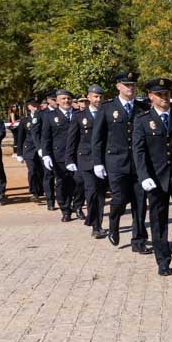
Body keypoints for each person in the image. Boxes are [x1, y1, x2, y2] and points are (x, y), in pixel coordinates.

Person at [132, 79, 172, 276]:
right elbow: (138, 151)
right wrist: (143, 175)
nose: (164, 98)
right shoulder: (142, 120)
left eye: (166, 93)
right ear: (151, 96)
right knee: (159, 220)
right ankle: (163, 259)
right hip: (155, 178)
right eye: (160, 94)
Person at [92, 72, 151, 253]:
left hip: (139, 163)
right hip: (116, 161)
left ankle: (139, 240)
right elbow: (98, 137)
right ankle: (113, 224)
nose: (130, 88)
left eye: (132, 84)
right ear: (118, 86)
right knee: (119, 198)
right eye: (126, 85)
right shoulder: (107, 107)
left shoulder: (143, 107)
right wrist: (97, 162)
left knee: (140, 202)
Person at [68, 85, 107, 238]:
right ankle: (95, 224)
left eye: (100, 97)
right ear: (89, 98)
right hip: (85, 159)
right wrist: (69, 158)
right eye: (95, 97)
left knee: (101, 194)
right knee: (91, 192)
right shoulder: (79, 116)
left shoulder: (106, 113)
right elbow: (72, 139)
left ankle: (98, 224)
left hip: (104, 159)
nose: (98, 100)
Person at [40, 90, 78, 221]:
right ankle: (65, 209)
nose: (66, 101)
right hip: (59, 155)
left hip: (77, 154)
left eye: (68, 98)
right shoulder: (50, 116)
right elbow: (45, 137)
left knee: (79, 182)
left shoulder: (78, 114)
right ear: (57, 101)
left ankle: (77, 206)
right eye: (63, 99)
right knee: (62, 183)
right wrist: (46, 155)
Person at [15, 99, 45, 202]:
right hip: (29, 149)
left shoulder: (44, 118)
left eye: (36, 105)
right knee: (32, 170)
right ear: (29, 107)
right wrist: (19, 153)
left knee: (42, 170)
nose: (35, 107)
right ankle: (34, 192)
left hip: (41, 148)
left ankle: (41, 190)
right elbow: (20, 138)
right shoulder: (24, 120)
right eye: (33, 105)